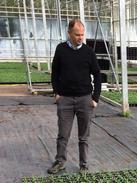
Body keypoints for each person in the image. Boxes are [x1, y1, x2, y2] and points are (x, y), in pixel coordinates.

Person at [48, 18, 101, 174]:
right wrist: (56, 93)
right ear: (69, 33)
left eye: (82, 34)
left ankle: (83, 164)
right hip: (65, 99)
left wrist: (95, 98)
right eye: (77, 34)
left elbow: (97, 75)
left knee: (84, 136)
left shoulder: (88, 52)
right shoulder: (61, 49)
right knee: (63, 134)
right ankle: (60, 162)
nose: (80, 38)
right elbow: (55, 72)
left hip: (85, 99)